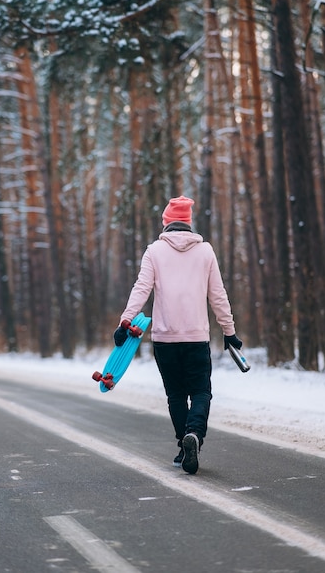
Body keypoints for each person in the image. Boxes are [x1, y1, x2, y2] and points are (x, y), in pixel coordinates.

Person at [114, 195, 242, 475]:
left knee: (175, 395)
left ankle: (183, 446)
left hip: (164, 338)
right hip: (196, 337)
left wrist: (125, 321)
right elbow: (218, 296)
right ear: (188, 223)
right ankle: (194, 434)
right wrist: (229, 332)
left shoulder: (154, 252)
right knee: (200, 392)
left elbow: (141, 288)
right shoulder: (206, 251)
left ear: (166, 223)